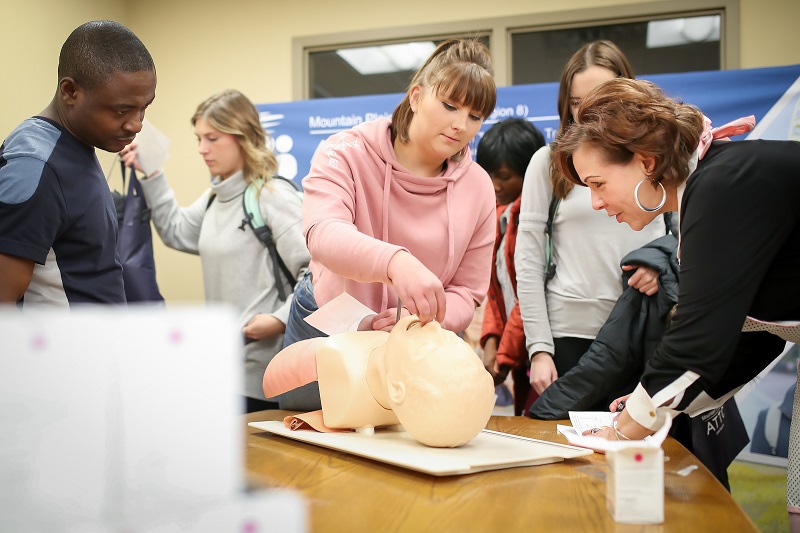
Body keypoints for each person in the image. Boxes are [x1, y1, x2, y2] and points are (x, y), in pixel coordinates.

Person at [552, 77, 800, 525]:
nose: (595, 202)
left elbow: (698, 343)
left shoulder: (723, 185)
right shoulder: (709, 189)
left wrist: (627, 425)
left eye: (598, 183)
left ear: (645, 161)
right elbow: (749, 337)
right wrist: (650, 401)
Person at [280, 38, 497, 410]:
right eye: (449, 105)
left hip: (413, 338)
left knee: (400, 443)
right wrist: (397, 263)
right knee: (313, 440)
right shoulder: (345, 151)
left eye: (475, 116)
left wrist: (428, 317)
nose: (461, 125)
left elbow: (467, 292)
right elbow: (323, 234)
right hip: (330, 316)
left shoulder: (477, 186)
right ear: (415, 97)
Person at [121, 89, 310, 413]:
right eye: (198, 139)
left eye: (212, 138)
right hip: (223, 372)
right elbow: (177, 233)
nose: (202, 149)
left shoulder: (271, 196)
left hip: (267, 378)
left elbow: (317, 275)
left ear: (243, 137)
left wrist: (278, 320)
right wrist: (152, 173)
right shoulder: (214, 198)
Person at [515, 40, 665, 406]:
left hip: (642, 329)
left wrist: (663, 261)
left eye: (603, 99)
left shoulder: (655, 155)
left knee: (641, 454)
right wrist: (539, 348)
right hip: (570, 336)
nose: (588, 114)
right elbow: (529, 259)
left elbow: (683, 232)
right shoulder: (549, 162)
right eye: (578, 102)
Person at [0, 20, 156, 306]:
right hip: (58, 351)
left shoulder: (76, 145)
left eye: (144, 108)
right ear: (70, 91)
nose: (136, 125)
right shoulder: (35, 164)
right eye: (122, 110)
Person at [263, 315, 495, 447]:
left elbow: (273, 379)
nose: (434, 325)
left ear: (396, 389)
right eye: (451, 337)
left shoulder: (338, 354)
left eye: (427, 347)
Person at [475, 118, 546, 415]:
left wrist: (501, 358)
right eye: (489, 174)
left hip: (541, 354)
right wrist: (491, 342)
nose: (494, 184)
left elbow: (528, 294)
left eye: (504, 176)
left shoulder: (537, 223)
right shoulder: (499, 218)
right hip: (517, 355)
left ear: (531, 173)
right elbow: (496, 290)